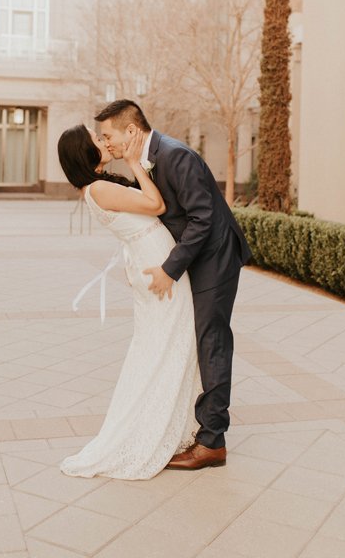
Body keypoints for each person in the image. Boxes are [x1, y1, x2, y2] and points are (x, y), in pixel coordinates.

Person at [95, 100, 252, 470]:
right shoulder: (146, 158)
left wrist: (170, 268)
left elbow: (202, 218)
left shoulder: (175, 155)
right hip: (196, 258)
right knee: (199, 341)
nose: (106, 143)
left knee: (211, 343)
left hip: (215, 258)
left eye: (108, 135)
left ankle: (212, 442)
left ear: (130, 131)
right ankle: (198, 427)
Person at [57, 124, 202, 480]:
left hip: (150, 260)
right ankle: (153, 427)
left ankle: (169, 421)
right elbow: (156, 204)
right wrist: (136, 162)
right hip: (157, 265)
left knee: (166, 341)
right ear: (84, 152)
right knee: (167, 342)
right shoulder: (99, 188)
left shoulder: (97, 186)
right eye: (97, 139)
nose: (103, 141)